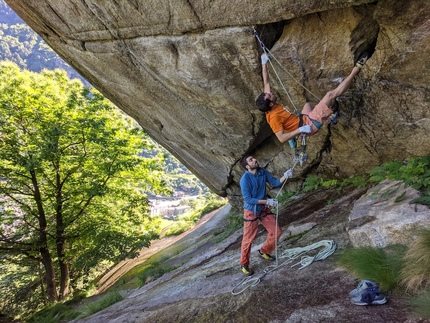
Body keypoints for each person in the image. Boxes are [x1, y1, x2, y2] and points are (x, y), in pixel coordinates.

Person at [255, 52, 368, 144]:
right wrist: (300, 130)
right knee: (330, 95)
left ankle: (328, 115)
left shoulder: (269, 104)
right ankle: (356, 70)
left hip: (303, 118)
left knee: (307, 105)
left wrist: (264, 63)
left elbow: (267, 83)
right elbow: (282, 138)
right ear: (270, 104)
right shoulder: (274, 118)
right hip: (308, 125)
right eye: (270, 95)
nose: (271, 93)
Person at [239, 154, 293, 276]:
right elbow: (248, 199)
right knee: (248, 239)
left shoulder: (262, 171)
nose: (255, 160)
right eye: (251, 160)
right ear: (247, 166)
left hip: (262, 209)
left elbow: (274, 182)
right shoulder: (245, 180)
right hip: (251, 211)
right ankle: (244, 264)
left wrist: (285, 176)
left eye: (254, 158)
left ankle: (264, 251)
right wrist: (267, 201)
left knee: (276, 231)